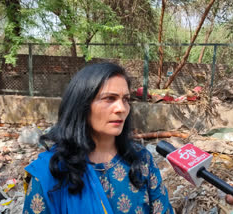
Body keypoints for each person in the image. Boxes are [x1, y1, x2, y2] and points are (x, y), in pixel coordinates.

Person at [22, 62, 174, 214]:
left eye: (126, 99)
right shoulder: (51, 172)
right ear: (82, 104)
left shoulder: (140, 160)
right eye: (109, 98)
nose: (121, 108)